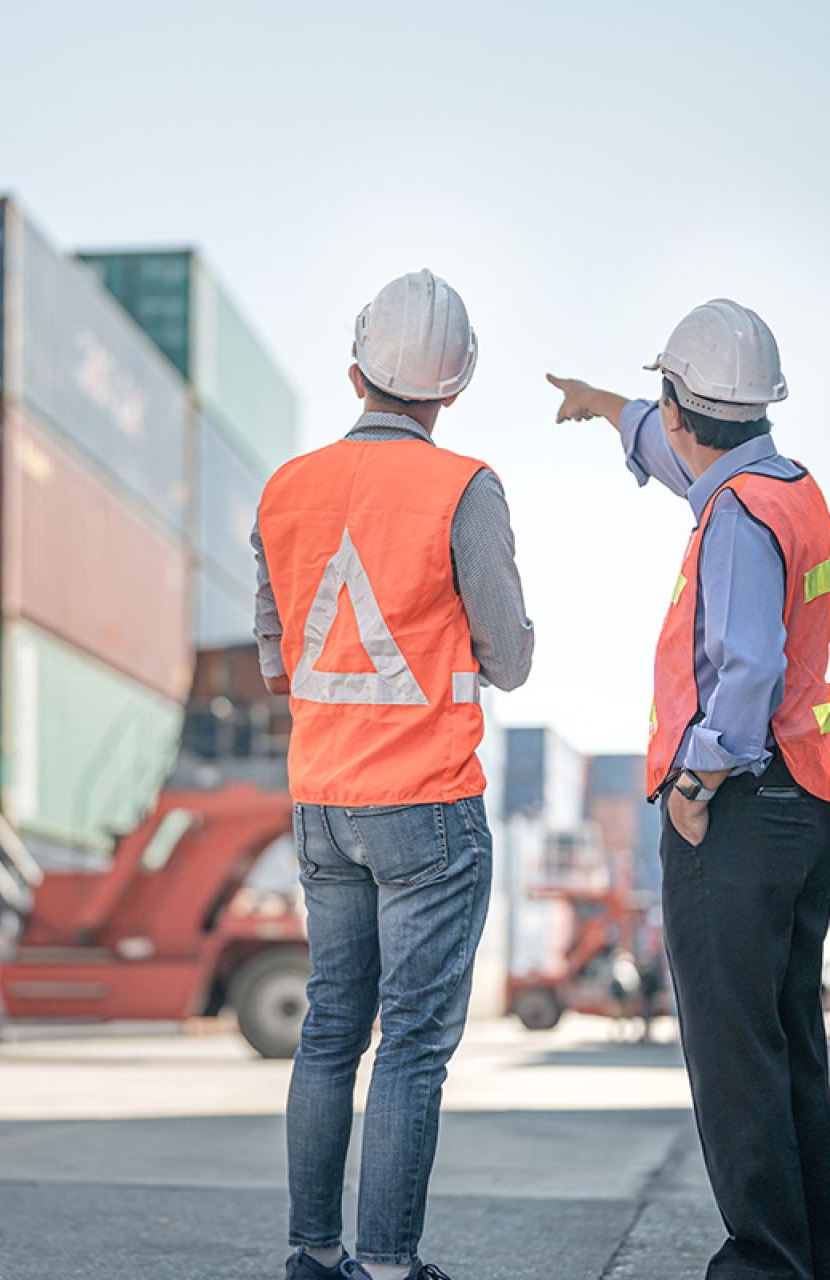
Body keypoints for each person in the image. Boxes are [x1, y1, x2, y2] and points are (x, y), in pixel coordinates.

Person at [547, 299, 830, 1280]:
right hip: (807, 811)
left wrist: (697, 776)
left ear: (683, 405)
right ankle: (813, 1265)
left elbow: (746, 667)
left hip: (736, 814)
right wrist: (605, 405)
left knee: (735, 1067)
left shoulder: (734, 518)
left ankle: (764, 1267)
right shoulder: (787, 485)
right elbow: (669, 443)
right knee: (785, 1059)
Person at [252, 270, 533, 1280]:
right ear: (451, 392)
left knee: (330, 1028)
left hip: (323, 805)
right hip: (427, 806)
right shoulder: (465, 487)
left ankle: (315, 1254)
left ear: (355, 368)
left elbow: (277, 659)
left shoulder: (285, 489)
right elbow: (509, 657)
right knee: (410, 1043)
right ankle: (386, 1265)